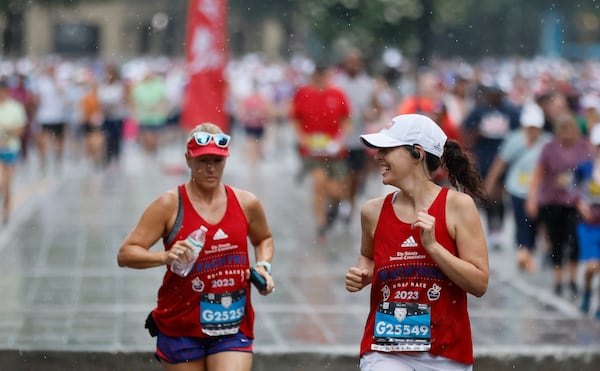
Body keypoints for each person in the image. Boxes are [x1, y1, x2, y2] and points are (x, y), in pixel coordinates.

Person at [117, 123, 275, 370]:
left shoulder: (246, 202)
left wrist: (263, 266)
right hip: (181, 325)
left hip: (232, 325)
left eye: (217, 161)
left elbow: (263, 238)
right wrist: (165, 256)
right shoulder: (169, 204)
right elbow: (126, 254)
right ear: (188, 159)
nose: (210, 168)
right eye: (203, 161)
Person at [345, 114, 489, 371]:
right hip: (385, 350)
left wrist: (433, 247)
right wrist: (363, 273)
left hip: (446, 352)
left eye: (387, 149)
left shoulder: (457, 206)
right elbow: (367, 256)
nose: (377, 156)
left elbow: (479, 283)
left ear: (417, 153)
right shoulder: (372, 212)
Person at [526, 113, 593, 297]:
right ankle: (558, 280)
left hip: (575, 202)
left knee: (574, 240)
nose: (568, 136)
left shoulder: (583, 147)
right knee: (556, 241)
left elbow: (589, 175)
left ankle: (572, 279)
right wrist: (532, 198)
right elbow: (538, 174)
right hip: (552, 200)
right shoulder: (550, 148)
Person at [484, 102, 552, 271]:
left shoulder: (547, 142)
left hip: (539, 191)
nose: (533, 131)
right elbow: (501, 162)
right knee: (522, 221)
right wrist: (488, 185)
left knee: (537, 222)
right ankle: (524, 251)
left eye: (535, 127)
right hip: (518, 189)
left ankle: (532, 251)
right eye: (529, 127)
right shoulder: (514, 140)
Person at [290, 63, 352, 239]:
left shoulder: (337, 94)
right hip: (312, 152)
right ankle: (321, 224)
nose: (320, 80)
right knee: (318, 184)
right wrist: (302, 137)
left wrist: (340, 141)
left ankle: (334, 207)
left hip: (335, 153)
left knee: (335, 191)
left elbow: (347, 120)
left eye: (322, 76)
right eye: (316, 76)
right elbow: (295, 119)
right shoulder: (303, 94)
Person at [462, 83, 521, 250]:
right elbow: (466, 132)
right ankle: (492, 227)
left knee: (499, 195)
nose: (495, 97)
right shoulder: (479, 110)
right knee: (487, 194)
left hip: (505, 159)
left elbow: (518, 132)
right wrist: (477, 135)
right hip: (485, 158)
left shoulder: (510, 111)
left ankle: (499, 228)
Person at [331, 48, 380, 223]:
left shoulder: (368, 84)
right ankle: (337, 204)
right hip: (339, 141)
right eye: (350, 61)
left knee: (355, 178)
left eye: (356, 62)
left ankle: (349, 207)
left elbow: (376, 109)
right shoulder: (336, 83)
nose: (353, 65)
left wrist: (371, 114)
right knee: (339, 177)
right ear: (345, 63)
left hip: (358, 140)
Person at [573, 123, 600, 320]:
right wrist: (580, 205)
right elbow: (571, 189)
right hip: (589, 224)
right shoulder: (584, 167)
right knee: (592, 267)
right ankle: (587, 291)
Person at [0, 79, 27, 224]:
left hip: (11, 148)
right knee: (1, 180)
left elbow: (20, 129)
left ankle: (6, 211)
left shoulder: (15, 107)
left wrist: (7, 132)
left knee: (7, 184)